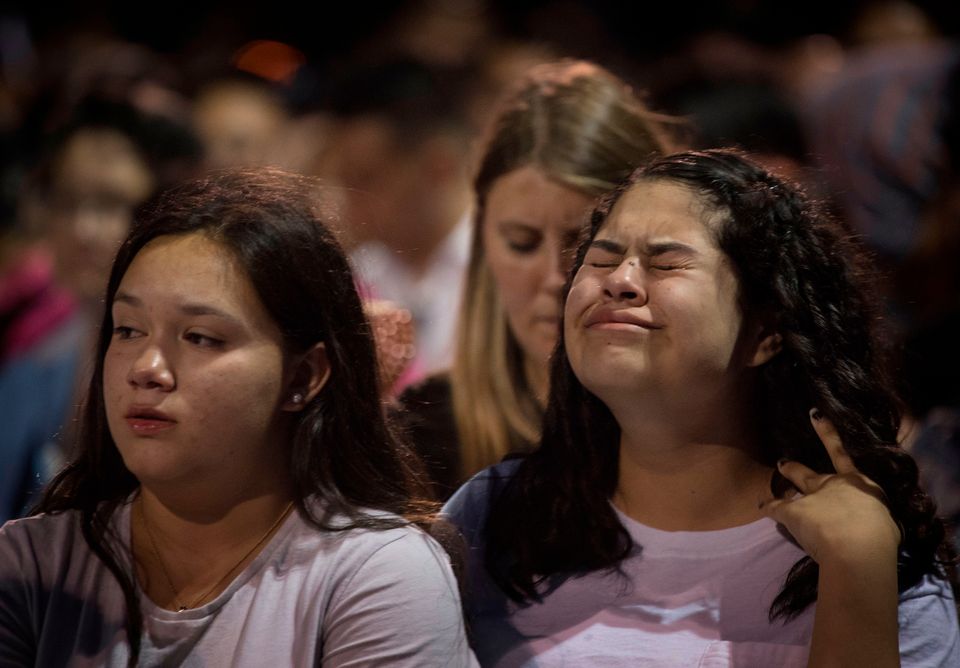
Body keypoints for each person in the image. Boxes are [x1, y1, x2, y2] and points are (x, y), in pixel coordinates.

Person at [444, 149, 960, 666]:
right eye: (599, 258)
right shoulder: (492, 517)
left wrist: (858, 563)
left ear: (766, 331)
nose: (618, 280)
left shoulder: (867, 550)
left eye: (666, 263)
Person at [0, 169, 476, 667]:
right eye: (127, 330)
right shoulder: (33, 566)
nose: (147, 369)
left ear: (303, 377)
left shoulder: (378, 576)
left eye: (201, 337)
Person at [397, 59, 677, 499]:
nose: (555, 276)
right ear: (483, 240)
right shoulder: (420, 434)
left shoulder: (722, 431)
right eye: (521, 242)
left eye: (586, 243)